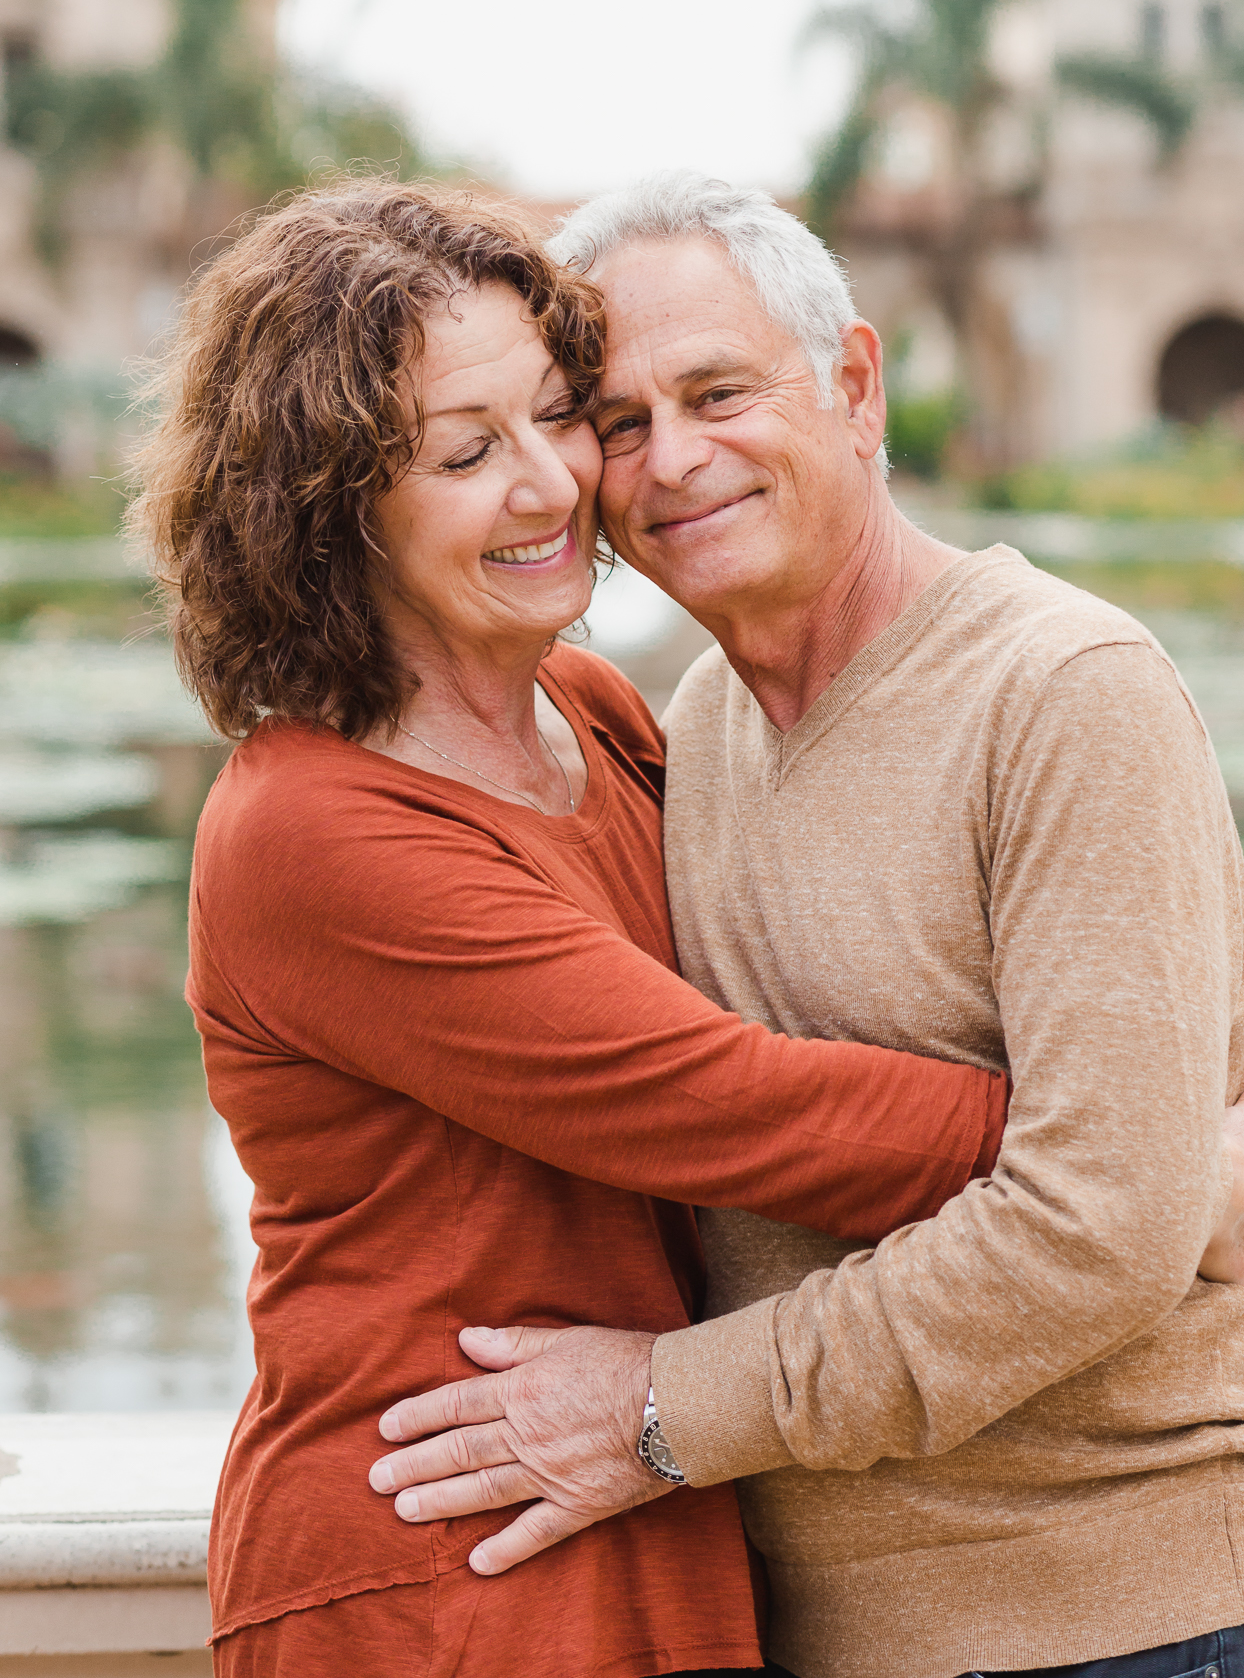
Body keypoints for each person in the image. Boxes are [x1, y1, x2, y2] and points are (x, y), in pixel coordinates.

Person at [371, 173, 1244, 1678]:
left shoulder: (1066, 692)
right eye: (617, 422)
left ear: (853, 386)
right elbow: (731, 1135)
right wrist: (1174, 1187)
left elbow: (1089, 1229)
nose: (671, 459)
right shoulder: (693, 727)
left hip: (1113, 1622)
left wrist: (665, 1410)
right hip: (798, 1622)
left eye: (718, 392)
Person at [132, 176, 1046, 1678]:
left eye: (557, 415)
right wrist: (1107, 1155)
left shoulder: (597, 712)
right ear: (327, 506)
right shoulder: (311, 830)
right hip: (437, 1552)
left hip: (637, 1484)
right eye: (460, 452)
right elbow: (730, 1105)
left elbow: (804, 967)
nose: (553, 485)